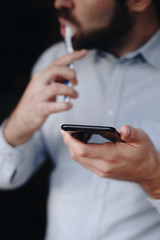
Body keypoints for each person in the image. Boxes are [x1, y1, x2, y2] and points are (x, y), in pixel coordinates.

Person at [1, 0, 160, 239]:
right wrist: (19, 125)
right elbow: (5, 177)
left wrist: (154, 179)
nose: (60, 3)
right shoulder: (53, 62)